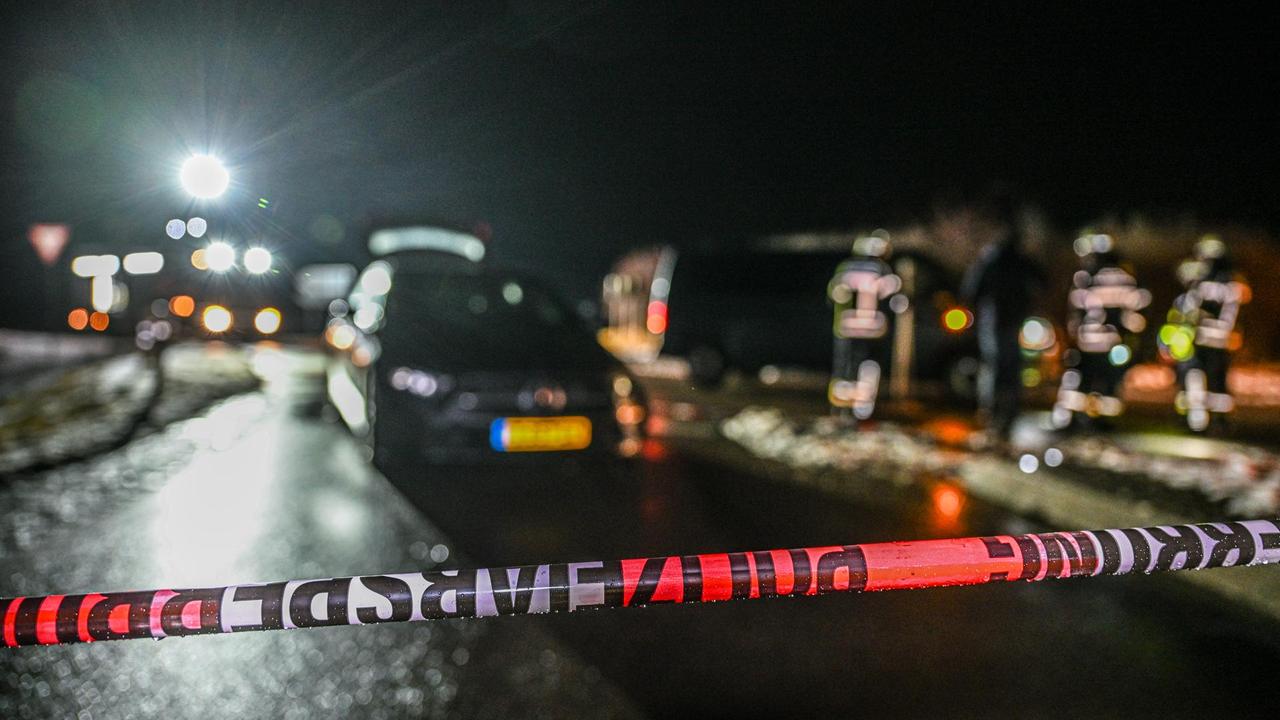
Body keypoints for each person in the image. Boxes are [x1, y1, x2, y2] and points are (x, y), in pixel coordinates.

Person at [960, 198, 1044, 441]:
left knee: (995, 366)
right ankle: (1008, 411)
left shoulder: (990, 261)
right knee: (1011, 367)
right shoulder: (1018, 261)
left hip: (995, 320)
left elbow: (970, 291)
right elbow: (1042, 282)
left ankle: (993, 411)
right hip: (1013, 319)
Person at [1051, 233, 1150, 429]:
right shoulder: (1126, 277)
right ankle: (1099, 420)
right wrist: (1130, 334)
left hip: (1087, 342)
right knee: (1107, 384)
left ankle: (1073, 419)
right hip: (1112, 343)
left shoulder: (1085, 277)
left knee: (1082, 381)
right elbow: (1139, 308)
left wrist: (1073, 336)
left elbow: (1074, 310)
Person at [1171, 235, 1249, 433]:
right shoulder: (1234, 281)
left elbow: (1188, 308)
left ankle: (1198, 420)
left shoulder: (1201, 282)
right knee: (1218, 380)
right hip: (1223, 341)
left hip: (1201, 339)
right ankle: (1220, 420)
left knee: (1195, 375)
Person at [827, 232, 902, 423]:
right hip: (873, 329)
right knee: (868, 367)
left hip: (846, 327)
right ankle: (863, 410)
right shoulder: (882, 269)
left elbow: (834, 296)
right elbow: (894, 301)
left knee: (844, 368)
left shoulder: (845, 268)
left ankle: (840, 409)